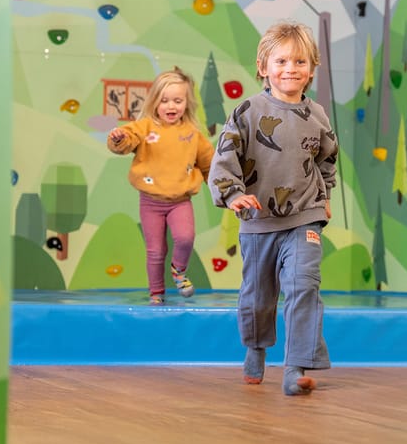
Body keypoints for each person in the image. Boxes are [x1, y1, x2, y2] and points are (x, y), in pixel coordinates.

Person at [208, 21, 338, 396]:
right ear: (263, 67)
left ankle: (296, 366)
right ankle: (255, 346)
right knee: (258, 294)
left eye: (299, 61)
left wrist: (324, 196)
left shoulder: (318, 115)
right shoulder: (247, 111)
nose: (290, 69)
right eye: (281, 61)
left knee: (304, 285)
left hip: (305, 216)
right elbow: (225, 158)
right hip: (258, 220)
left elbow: (327, 160)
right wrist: (233, 195)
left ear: (311, 69)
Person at [107, 68, 214, 305]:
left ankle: (179, 271)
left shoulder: (192, 134)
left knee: (185, 238)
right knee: (155, 251)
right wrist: (118, 138)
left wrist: (223, 191)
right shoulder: (145, 127)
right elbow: (126, 139)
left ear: (187, 103)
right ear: (155, 101)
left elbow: (209, 166)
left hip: (180, 201)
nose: (171, 106)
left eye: (178, 100)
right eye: (164, 101)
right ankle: (156, 294)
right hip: (151, 202)